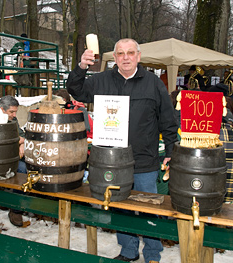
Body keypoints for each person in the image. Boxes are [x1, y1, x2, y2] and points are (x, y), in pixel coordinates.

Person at [66, 38, 178, 263]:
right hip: (112, 160)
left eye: (130, 53)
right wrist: (82, 66)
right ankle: (128, 250)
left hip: (144, 161)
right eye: (120, 53)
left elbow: (167, 118)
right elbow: (76, 90)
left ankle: (153, 254)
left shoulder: (154, 83)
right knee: (120, 208)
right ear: (114, 57)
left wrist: (171, 150)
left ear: (138, 56)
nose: (125, 57)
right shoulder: (101, 80)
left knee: (148, 209)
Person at [0, 95, 27, 227]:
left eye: (15, 112)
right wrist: (17, 140)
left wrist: (22, 143)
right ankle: (16, 209)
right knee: (22, 170)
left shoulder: (12, 119)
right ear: (1, 110)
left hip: (13, 155)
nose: (14, 115)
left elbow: (22, 134)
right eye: (11, 112)